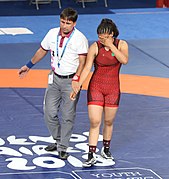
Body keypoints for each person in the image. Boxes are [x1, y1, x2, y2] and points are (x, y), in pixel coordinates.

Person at [18, 7, 88, 160]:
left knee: (68, 115)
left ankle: (63, 146)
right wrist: (28, 66)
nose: (64, 26)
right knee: (49, 112)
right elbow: (42, 50)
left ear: (74, 24)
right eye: (62, 22)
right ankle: (58, 140)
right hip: (54, 79)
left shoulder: (80, 39)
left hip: (71, 81)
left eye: (68, 23)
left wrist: (77, 79)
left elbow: (83, 62)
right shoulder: (51, 33)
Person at [70, 18, 128, 167]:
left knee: (109, 121)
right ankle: (91, 154)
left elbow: (124, 60)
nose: (102, 39)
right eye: (100, 36)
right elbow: (87, 67)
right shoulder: (95, 47)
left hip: (113, 89)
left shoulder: (121, 45)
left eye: (105, 36)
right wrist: (78, 85)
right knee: (95, 121)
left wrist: (111, 46)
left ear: (112, 34)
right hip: (96, 87)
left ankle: (106, 150)